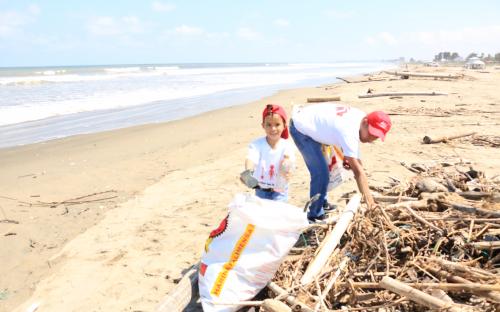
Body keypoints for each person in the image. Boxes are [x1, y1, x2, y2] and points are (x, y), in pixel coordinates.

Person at [289, 103, 391, 222]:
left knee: (328, 169)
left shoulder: (359, 119)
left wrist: (346, 156)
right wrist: (371, 204)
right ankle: (314, 215)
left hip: (314, 122)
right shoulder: (349, 130)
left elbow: (343, 137)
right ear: (365, 122)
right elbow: (358, 172)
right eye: (372, 133)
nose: (371, 139)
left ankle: (323, 202)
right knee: (321, 173)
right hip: (301, 129)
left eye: (376, 136)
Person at [242, 104, 295, 202]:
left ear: (284, 125)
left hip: (280, 188)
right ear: (263, 126)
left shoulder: (286, 145)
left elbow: (288, 159)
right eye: (269, 125)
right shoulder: (257, 144)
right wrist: (248, 172)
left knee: (278, 212)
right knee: (263, 213)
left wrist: (286, 170)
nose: (273, 129)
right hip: (261, 189)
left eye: (277, 124)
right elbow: (251, 158)